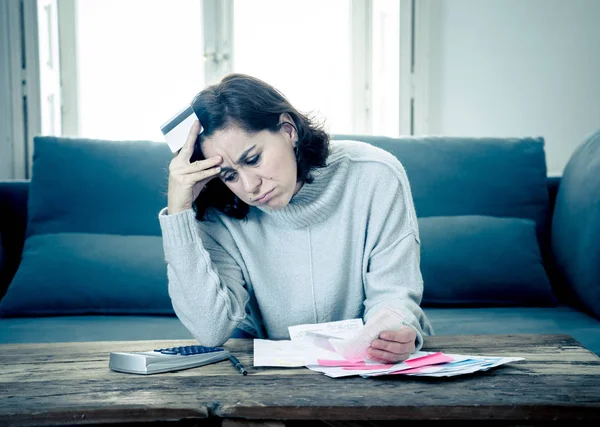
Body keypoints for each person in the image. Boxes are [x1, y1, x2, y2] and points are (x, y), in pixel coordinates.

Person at [159, 73, 433, 363]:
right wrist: (179, 213)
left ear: (289, 130)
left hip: (365, 361)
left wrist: (396, 331)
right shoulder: (220, 207)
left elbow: (393, 295)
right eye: (229, 175)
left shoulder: (375, 174)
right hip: (267, 365)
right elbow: (210, 330)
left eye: (253, 159)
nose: (250, 186)